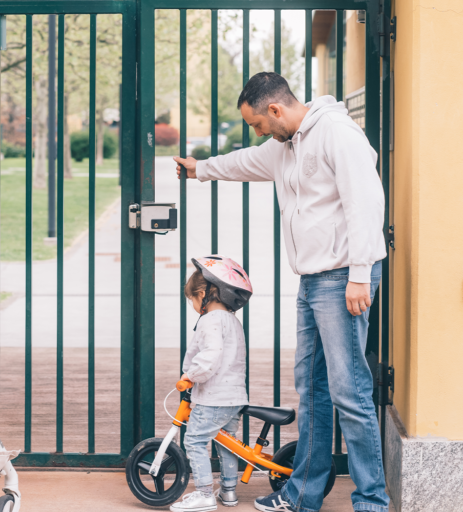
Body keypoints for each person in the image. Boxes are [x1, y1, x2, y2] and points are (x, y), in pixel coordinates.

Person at [175, 72, 389, 512]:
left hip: (343, 277)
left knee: (350, 393)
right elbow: (244, 162)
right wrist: (201, 170)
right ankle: (302, 495)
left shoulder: (335, 133)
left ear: (275, 110)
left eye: (257, 124)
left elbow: (365, 202)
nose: (257, 133)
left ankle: (372, 501)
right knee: (311, 390)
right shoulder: (284, 146)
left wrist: (360, 274)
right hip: (312, 281)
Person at [171, 256, 253, 512]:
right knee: (226, 441)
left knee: (194, 440)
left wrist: (190, 376)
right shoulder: (233, 321)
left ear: (203, 294)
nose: (193, 305)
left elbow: (210, 357)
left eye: (192, 299)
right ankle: (228, 491)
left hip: (214, 397)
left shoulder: (209, 320)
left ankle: (205, 493)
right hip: (234, 396)